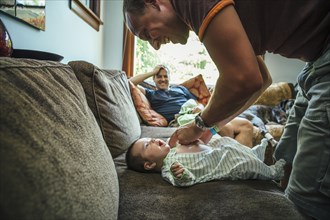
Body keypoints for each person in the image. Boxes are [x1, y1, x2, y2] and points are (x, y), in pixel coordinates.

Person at [123, 1, 330, 218]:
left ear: (154, 2)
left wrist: (199, 124)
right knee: (285, 158)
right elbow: (261, 80)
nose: (154, 46)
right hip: (313, 68)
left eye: (147, 32)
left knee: (307, 197)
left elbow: (243, 79)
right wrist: (210, 129)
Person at [130, 64, 254, 148]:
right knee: (225, 128)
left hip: (197, 114)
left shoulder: (180, 89)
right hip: (181, 120)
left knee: (246, 126)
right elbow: (129, 82)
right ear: (154, 79)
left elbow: (197, 102)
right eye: (159, 76)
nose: (162, 79)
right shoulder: (151, 94)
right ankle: (233, 162)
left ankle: (242, 165)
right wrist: (152, 71)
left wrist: (200, 107)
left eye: (165, 76)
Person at [125, 130, 286, 187]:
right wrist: (181, 174)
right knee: (246, 164)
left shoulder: (171, 147)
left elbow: (195, 144)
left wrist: (197, 141)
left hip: (216, 150)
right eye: (147, 145)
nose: (152, 140)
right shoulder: (168, 169)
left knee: (228, 141)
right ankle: (272, 173)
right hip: (221, 165)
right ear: (149, 165)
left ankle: (255, 152)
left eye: (149, 139)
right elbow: (184, 181)